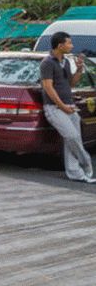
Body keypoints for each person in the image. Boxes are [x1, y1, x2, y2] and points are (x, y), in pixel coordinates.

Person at [40, 31, 93, 183]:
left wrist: (80, 69)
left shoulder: (66, 61)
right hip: (54, 108)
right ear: (60, 45)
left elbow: (70, 84)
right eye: (69, 43)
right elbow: (48, 88)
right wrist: (62, 106)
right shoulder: (47, 63)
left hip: (69, 105)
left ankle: (75, 174)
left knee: (73, 141)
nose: (72, 46)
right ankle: (86, 162)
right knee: (71, 136)